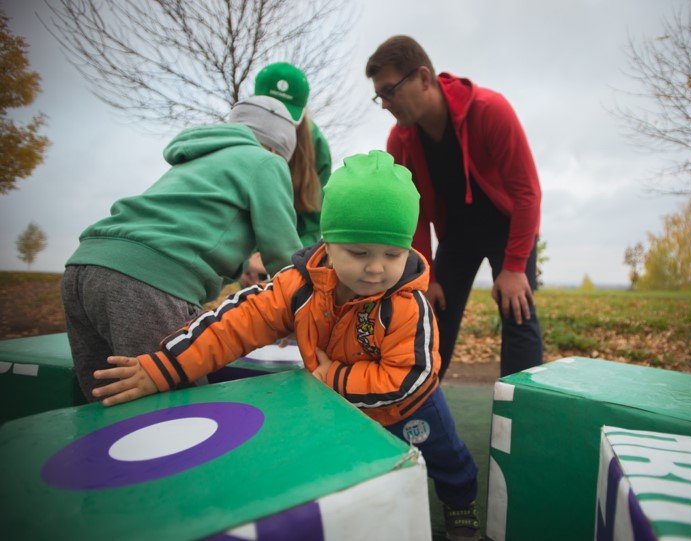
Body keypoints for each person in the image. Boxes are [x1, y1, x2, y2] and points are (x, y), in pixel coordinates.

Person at [91, 151, 481, 540]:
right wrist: (163, 367)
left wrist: (334, 377)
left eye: (392, 254)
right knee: (349, 468)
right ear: (328, 243)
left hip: (407, 407)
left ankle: (460, 502)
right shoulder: (298, 288)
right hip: (339, 405)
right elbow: (234, 324)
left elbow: (412, 375)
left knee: (446, 457)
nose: (376, 267)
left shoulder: (407, 305)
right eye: (359, 253)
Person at [61, 95, 304, 402]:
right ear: (278, 147)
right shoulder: (267, 162)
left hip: (84, 267)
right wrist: (304, 314)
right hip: (146, 282)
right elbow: (283, 255)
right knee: (173, 411)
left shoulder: (199, 158)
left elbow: (194, 233)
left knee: (106, 401)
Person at [366, 35, 543, 380]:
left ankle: (521, 415)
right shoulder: (399, 139)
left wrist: (515, 267)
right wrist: (425, 274)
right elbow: (411, 212)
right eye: (379, 96)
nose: (385, 104)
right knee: (431, 315)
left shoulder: (490, 111)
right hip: (457, 234)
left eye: (389, 91)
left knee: (517, 310)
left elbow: (528, 194)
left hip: (507, 226)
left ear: (423, 78)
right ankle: (417, 406)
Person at [240, 62, 333, 286]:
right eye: (272, 111)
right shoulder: (240, 136)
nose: (278, 123)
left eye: (287, 115)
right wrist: (245, 261)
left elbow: (313, 221)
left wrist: (292, 263)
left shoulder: (317, 148)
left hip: (292, 251)